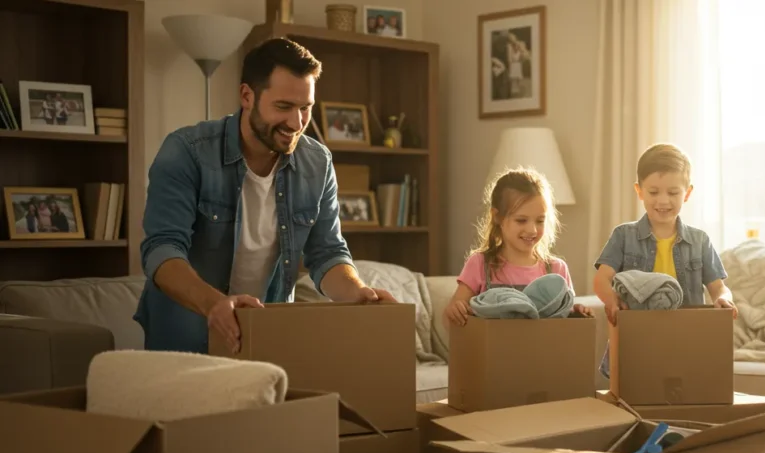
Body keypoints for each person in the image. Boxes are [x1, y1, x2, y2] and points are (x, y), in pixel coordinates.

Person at [136, 38, 395, 355]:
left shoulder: (318, 163)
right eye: (284, 107)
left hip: (267, 336)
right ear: (247, 96)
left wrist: (358, 293)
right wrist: (215, 304)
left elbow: (327, 253)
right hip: (184, 337)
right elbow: (161, 250)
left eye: (306, 108)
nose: (297, 123)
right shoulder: (186, 151)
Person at [593, 143, 738, 377]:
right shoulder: (623, 236)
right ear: (639, 191)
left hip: (685, 339)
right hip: (636, 338)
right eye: (653, 192)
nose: (663, 201)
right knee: (634, 400)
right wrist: (612, 301)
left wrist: (724, 300)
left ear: (687, 193)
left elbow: (718, 287)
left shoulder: (700, 241)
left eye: (673, 193)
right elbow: (602, 279)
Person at [445, 168, 592, 326]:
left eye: (540, 221)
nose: (532, 230)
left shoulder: (556, 269)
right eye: (521, 220)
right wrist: (455, 310)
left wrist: (577, 311)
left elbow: (565, 318)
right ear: (498, 217)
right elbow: (450, 318)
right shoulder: (480, 264)